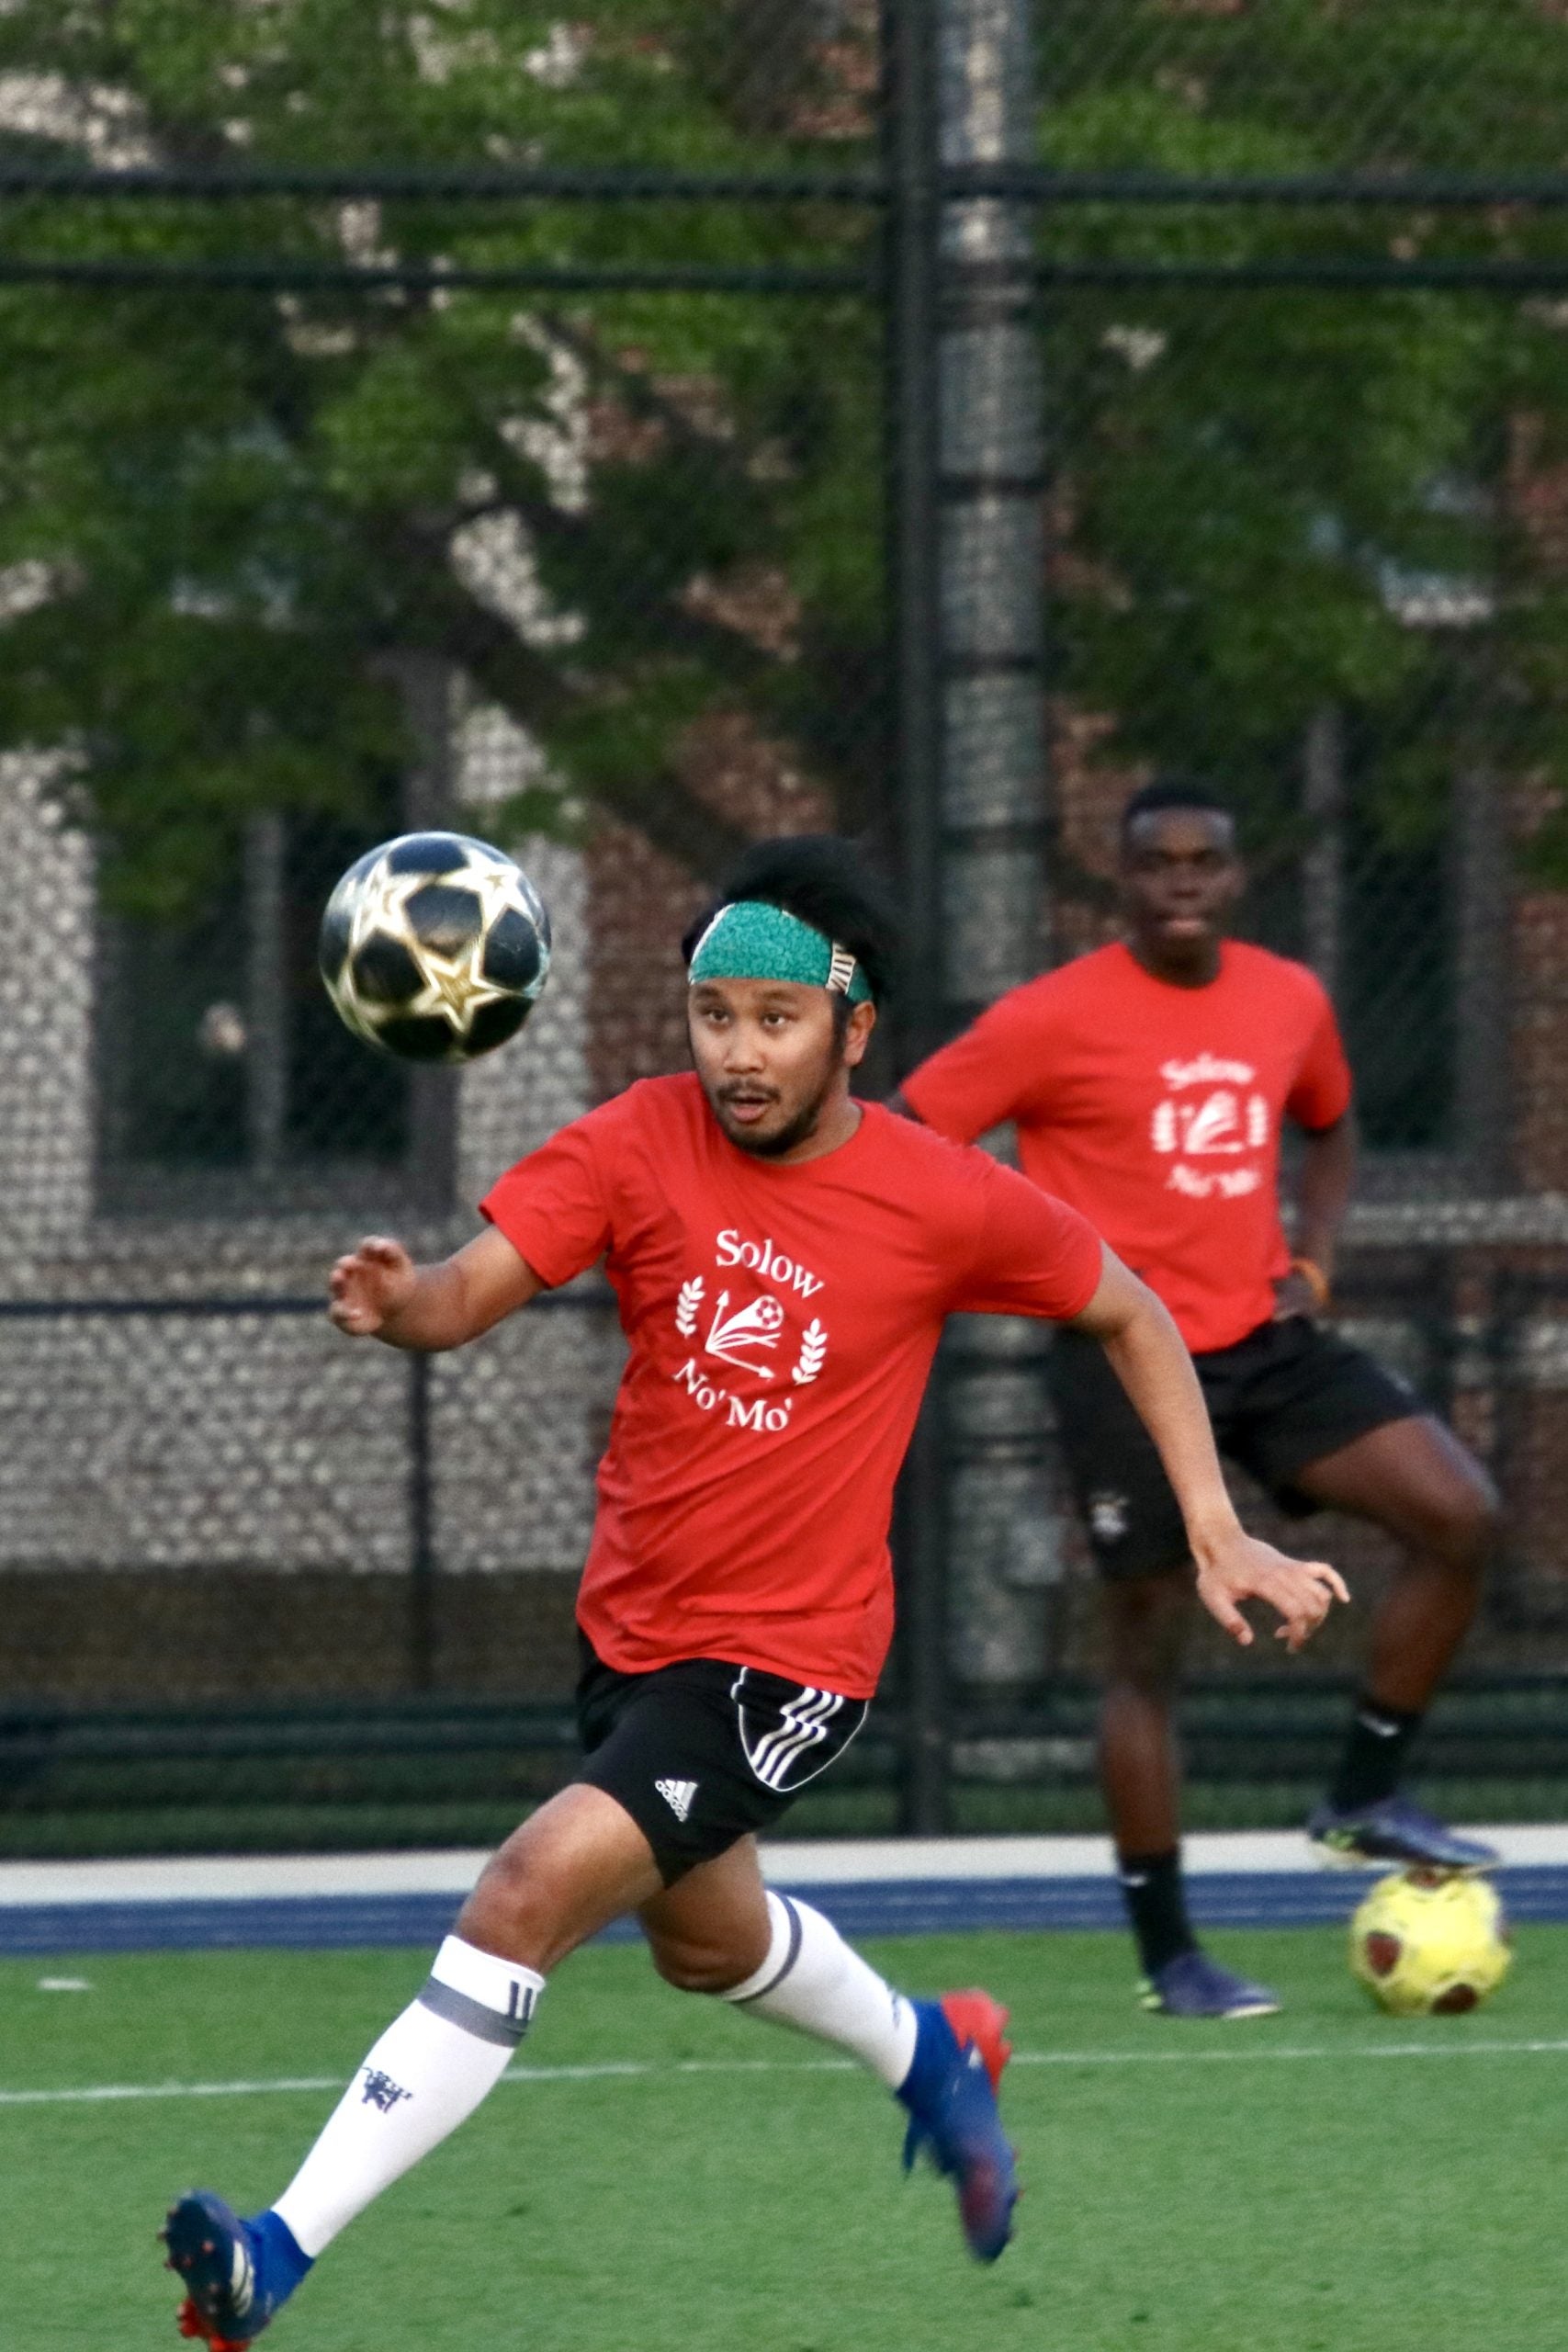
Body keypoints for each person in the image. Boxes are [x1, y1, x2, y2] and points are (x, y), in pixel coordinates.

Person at [161, 834, 1345, 2346]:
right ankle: (934, 2056)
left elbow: (1130, 1309)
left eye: (774, 1021)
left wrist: (1216, 1525)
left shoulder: (937, 1194)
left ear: (856, 1030)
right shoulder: (638, 1140)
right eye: (714, 1015)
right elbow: (468, 1292)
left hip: (788, 1663)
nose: (737, 1052)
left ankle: (275, 2255)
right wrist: (402, 1309)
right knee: (707, 1945)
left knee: (526, 1894)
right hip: (634, 1635)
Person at [897, 776, 1501, 2022]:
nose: (1182, 881)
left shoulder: (1289, 997)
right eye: (1156, 863)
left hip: (1266, 1341)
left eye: (1204, 862)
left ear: (1236, 879)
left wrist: (1314, 1256)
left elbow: (1331, 1126)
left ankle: (1361, 1795)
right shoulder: (1049, 1018)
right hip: (1121, 1351)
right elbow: (910, 1132)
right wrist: (1010, 1256)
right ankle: (1172, 1954)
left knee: (1461, 1513)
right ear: (1119, 881)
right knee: (1150, 1645)